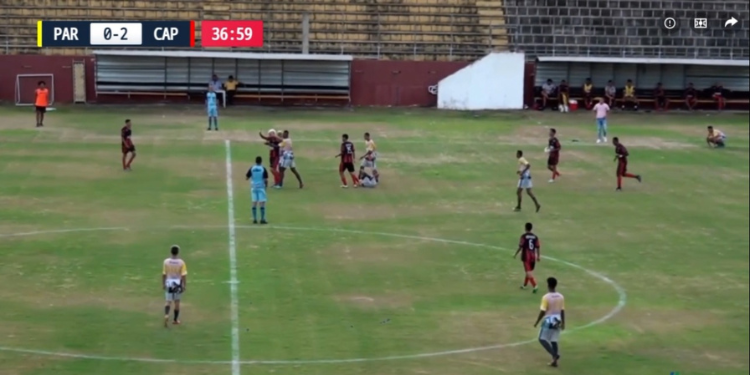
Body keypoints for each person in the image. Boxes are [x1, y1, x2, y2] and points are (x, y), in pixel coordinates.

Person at [533, 277, 565, 367]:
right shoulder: (561, 296)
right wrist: (563, 323)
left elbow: (543, 311)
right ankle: (554, 362)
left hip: (549, 320)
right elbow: (562, 310)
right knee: (554, 340)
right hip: (558, 320)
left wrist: (537, 322)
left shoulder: (546, 297)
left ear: (548, 285)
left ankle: (554, 355)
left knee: (541, 339)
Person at [162, 245, 187, 327]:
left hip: (169, 282)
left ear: (171, 252)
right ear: (178, 252)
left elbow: (164, 274)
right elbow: (183, 275)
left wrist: (163, 283)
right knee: (177, 302)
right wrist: (184, 285)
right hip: (177, 283)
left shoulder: (166, 261)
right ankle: (175, 320)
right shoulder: (181, 262)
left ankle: (166, 315)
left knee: (168, 301)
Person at [514, 222, 541, 293]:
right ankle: (525, 285)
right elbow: (538, 247)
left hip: (526, 256)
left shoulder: (523, 236)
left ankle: (535, 285)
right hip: (533, 256)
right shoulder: (535, 237)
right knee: (528, 271)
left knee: (528, 272)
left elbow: (520, 246)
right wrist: (538, 256)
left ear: (525, 228)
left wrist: (515, 254)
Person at [245, 156, 269, 224]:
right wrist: (266, 186)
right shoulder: (263, 168)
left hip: (254, 187)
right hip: (261, 187)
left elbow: (246, 177)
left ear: (255, 161)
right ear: (261, 161)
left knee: (254, 203)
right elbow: (266, 179)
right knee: (262, 203)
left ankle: (255, 219)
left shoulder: (252, 168)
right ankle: (262, 219)